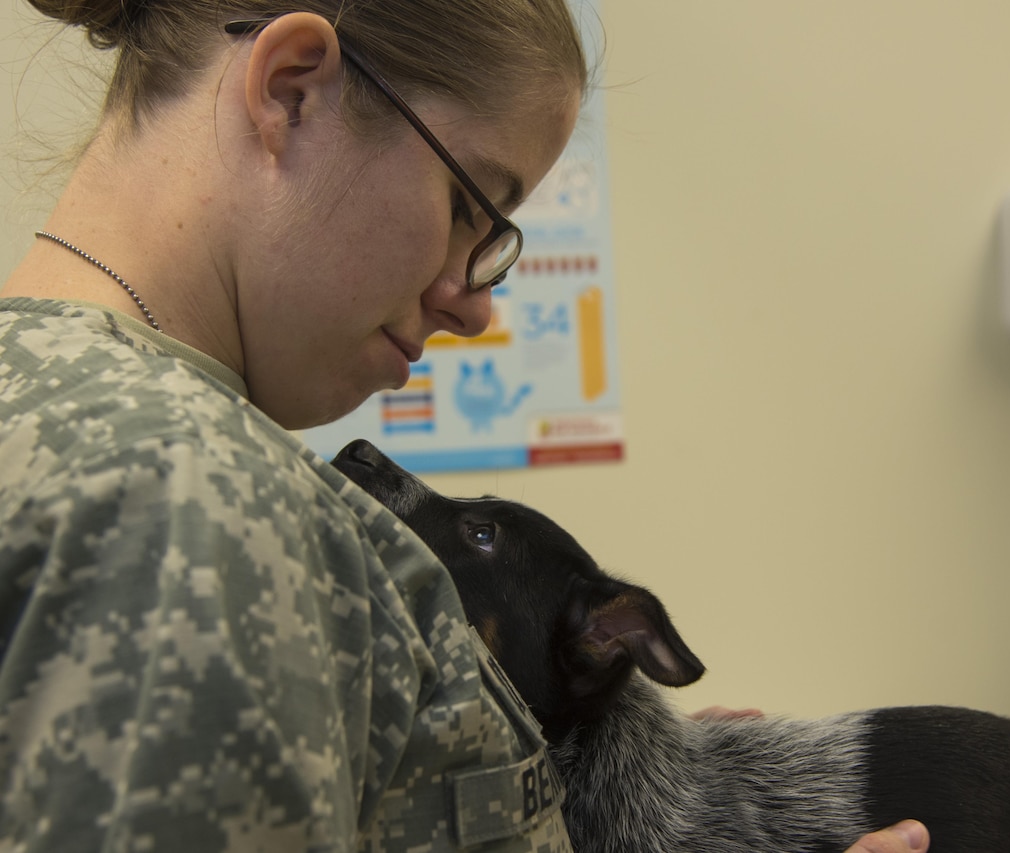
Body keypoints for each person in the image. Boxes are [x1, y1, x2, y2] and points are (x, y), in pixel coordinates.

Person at [0, 0, 930, 850]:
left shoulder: (58, 401)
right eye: (467, 208)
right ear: (291, 91)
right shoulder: (196, 499)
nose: (472, 306)